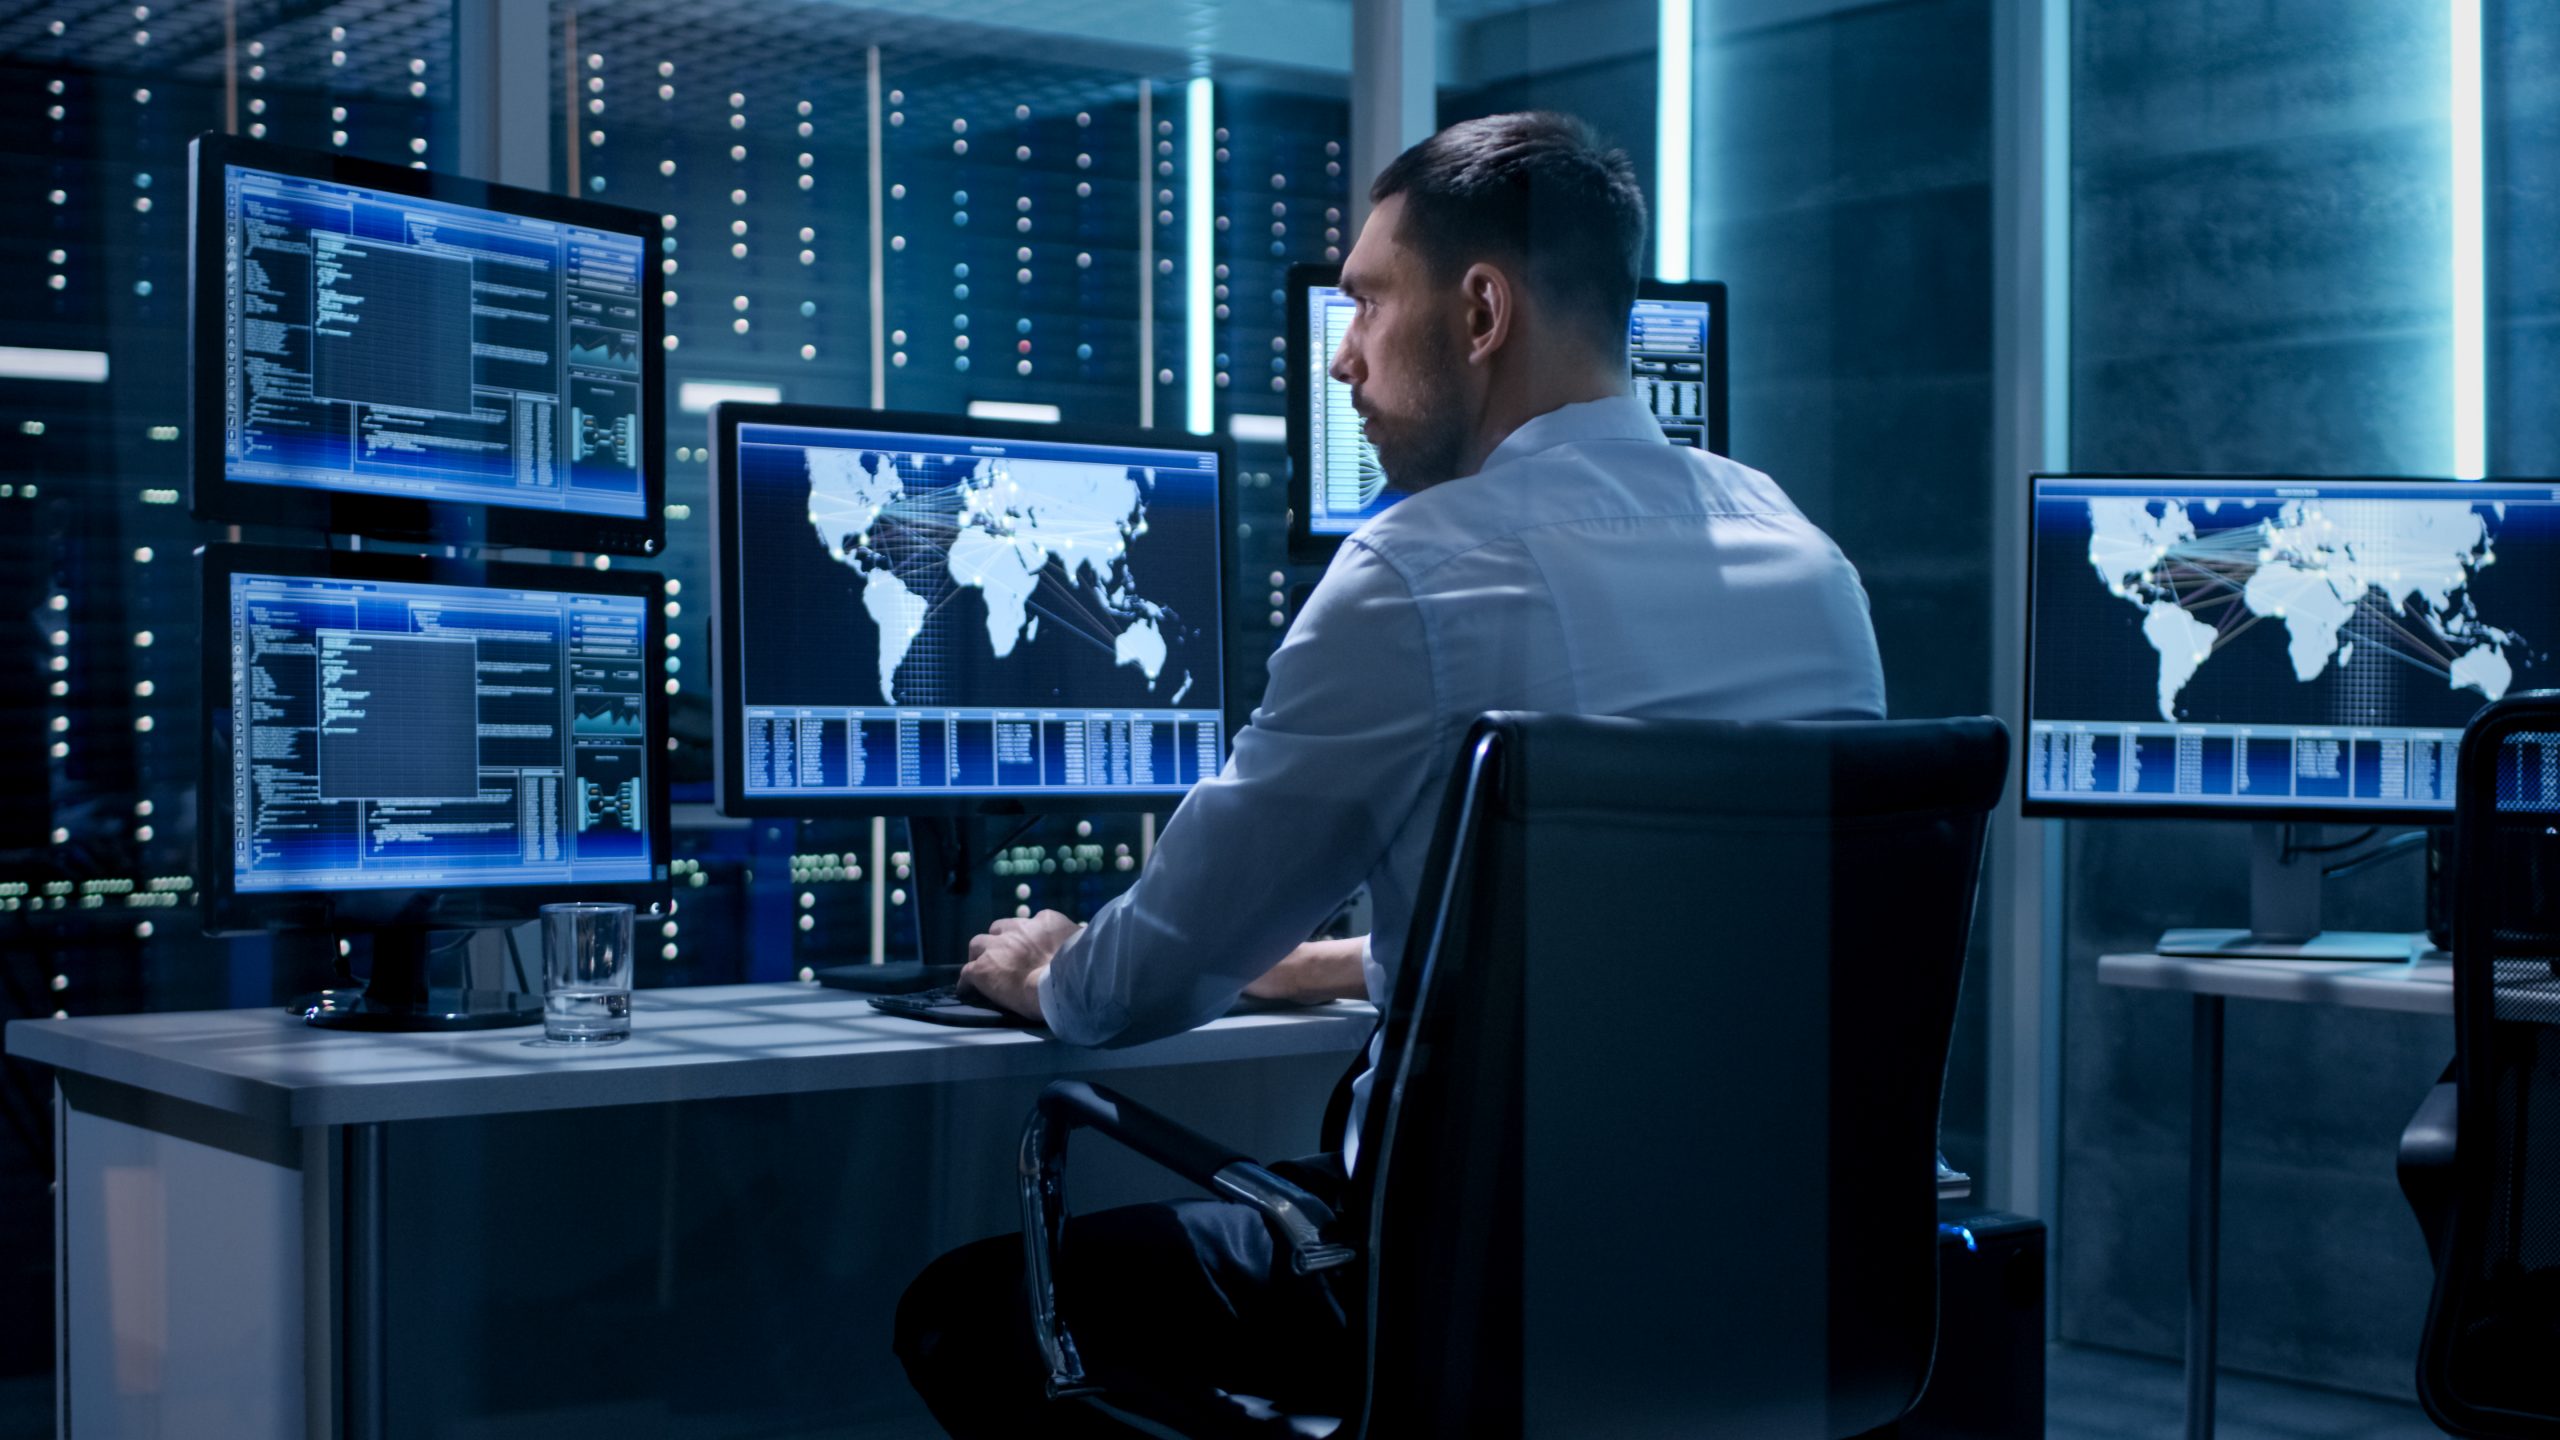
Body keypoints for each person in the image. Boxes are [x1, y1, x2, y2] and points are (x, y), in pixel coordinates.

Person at [893, 110, 1887, 1435]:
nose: (1344, 355)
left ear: (1480, 311)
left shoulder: (1419, 570)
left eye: (1365, 302)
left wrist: (1047, 970)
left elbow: (1142, 982)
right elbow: (1668, 947)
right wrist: (1330, 963)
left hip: (1477, 1291)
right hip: (1776, 1280)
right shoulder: (1808, 561)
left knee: (969, 1314)